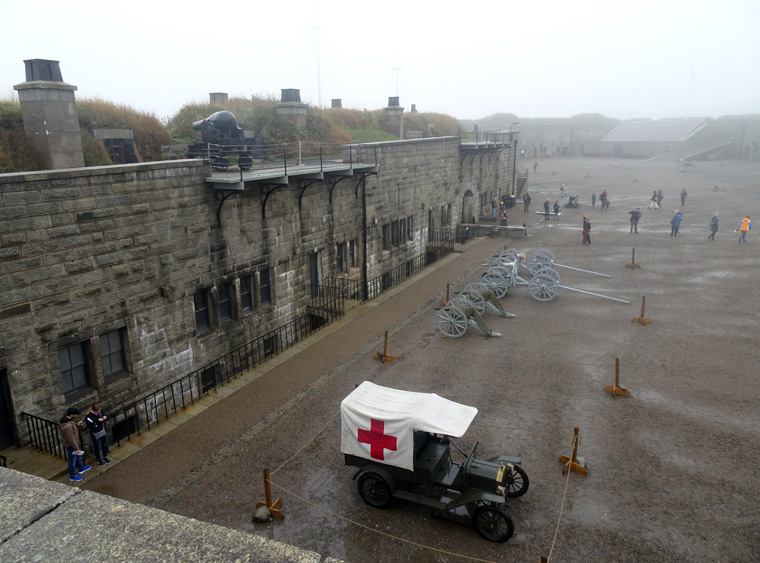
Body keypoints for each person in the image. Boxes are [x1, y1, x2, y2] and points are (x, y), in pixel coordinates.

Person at [59, 407, 91, 482]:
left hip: (73, 444)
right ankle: (72, 476)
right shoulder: (68, 426)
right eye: (76, 414)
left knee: (77, 457)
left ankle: (81, 468)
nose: (76, 416)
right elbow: (70, 438)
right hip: (71, 445)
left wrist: (76, 424)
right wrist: (76, 448)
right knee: (72, 461)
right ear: (72, 415)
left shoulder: (67, 421)